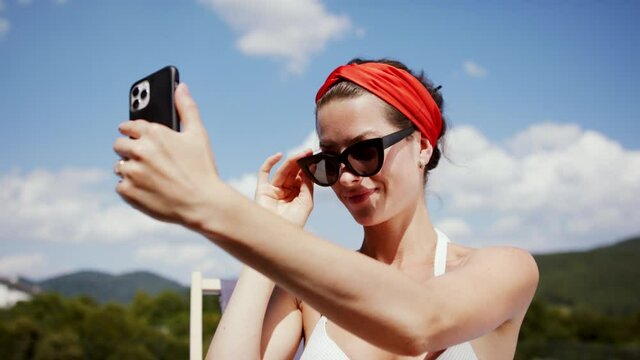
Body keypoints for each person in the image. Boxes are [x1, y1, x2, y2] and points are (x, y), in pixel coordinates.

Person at [113, 58, 539, 359]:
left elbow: (419, 321)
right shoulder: (304, 294)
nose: (348, 176)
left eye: (366, 151)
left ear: (423, 146)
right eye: (331, 160)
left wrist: (213, 204)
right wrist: (269, 227)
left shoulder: (505, 269)